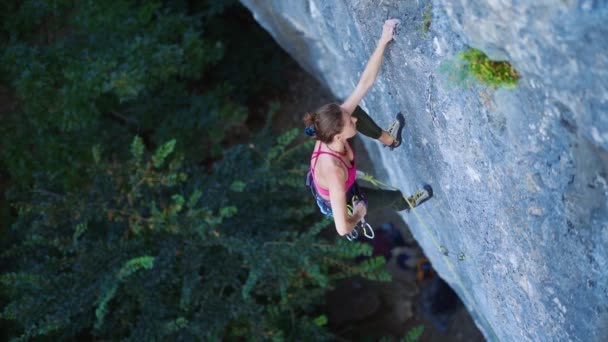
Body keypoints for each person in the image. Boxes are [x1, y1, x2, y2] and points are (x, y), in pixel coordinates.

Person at [303, 19, 432, 238]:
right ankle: (407, 204)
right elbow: (342, 228)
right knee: (393, 197)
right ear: (338, 135)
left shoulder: (329, 129)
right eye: (349, 123)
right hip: (346, 200)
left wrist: (383, 40)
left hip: (344, 180)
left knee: (352, 110)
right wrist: (358, 214)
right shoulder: (334, 172)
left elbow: (364, 84)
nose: (353, 121)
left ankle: (389, 139)